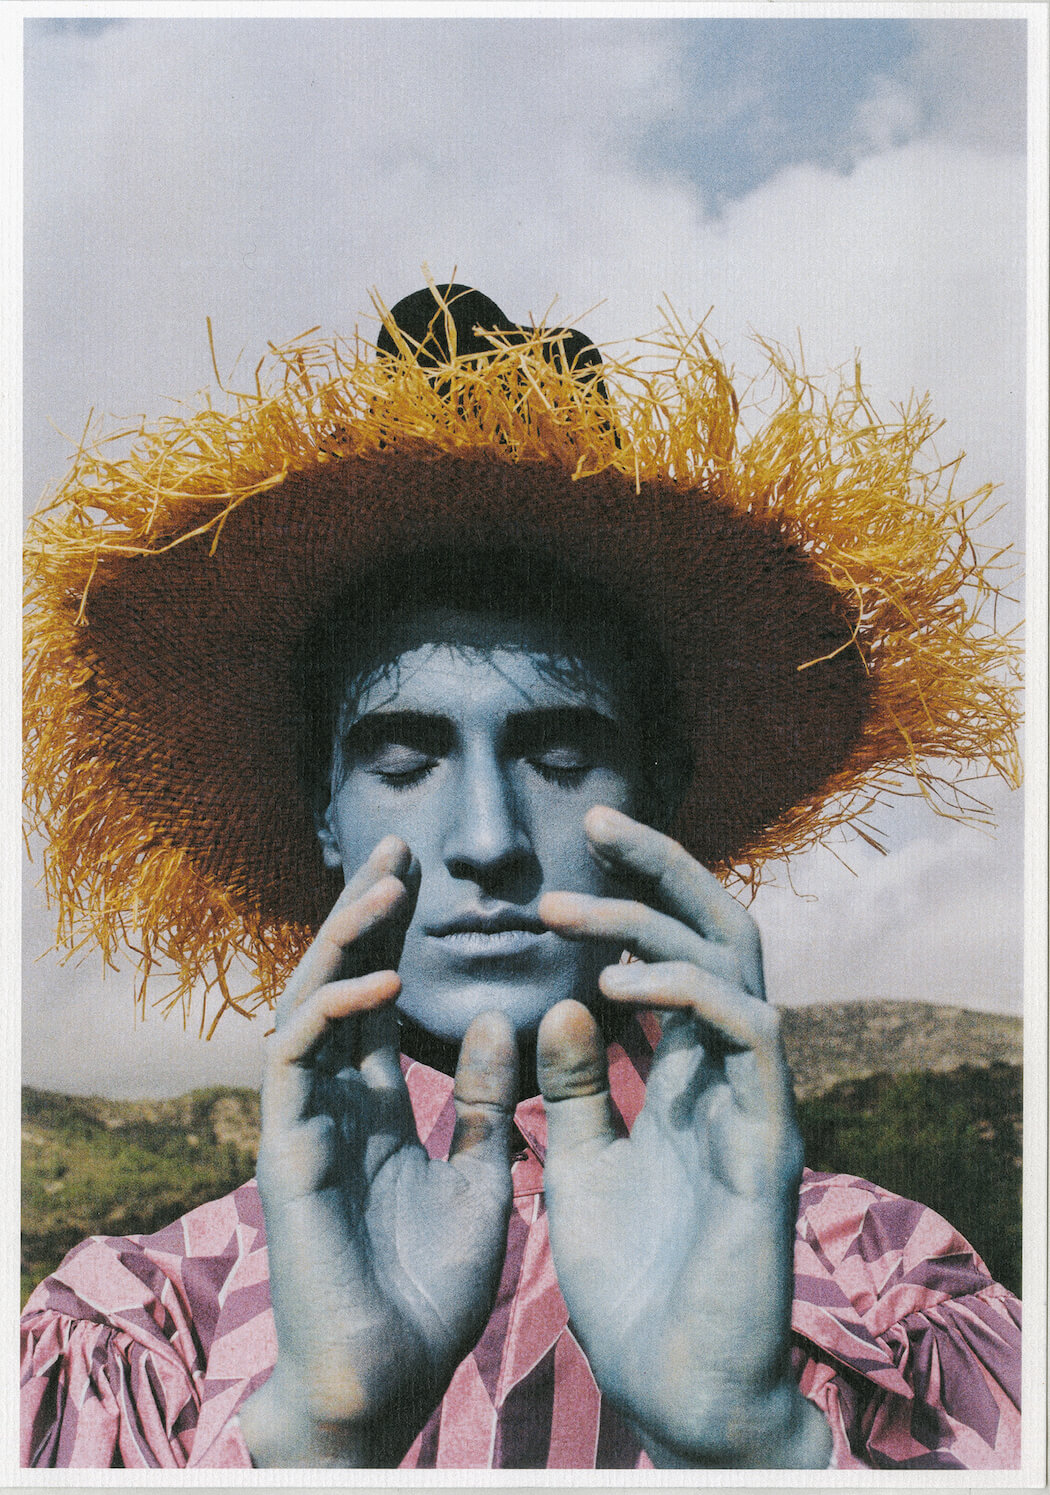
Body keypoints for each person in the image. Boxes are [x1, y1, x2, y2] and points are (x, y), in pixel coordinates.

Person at [21, 285, 1022, 1469]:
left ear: (655, 793)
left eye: (558, 756)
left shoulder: (894, 1285)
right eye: (405, 761)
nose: (487, 837)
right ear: (322, 807)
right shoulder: (140, 1328)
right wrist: (314, 1439)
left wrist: (756, 1443)